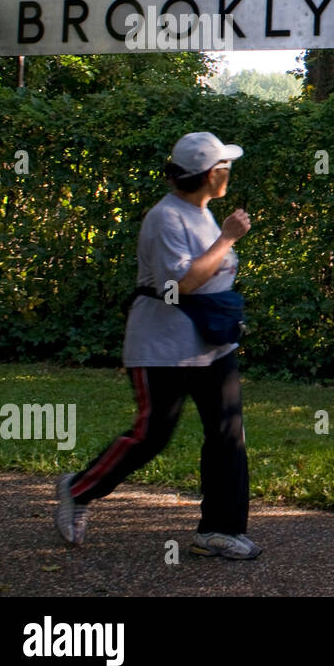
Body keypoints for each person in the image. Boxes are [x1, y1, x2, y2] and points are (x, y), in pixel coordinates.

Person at [54, 131, 259, 559]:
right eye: (225, 166)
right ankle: (78, 488)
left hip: (213, 344)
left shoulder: (201, 212)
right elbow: (177, 286)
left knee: (228, 434)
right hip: (162, 346)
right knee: (151, 435)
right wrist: (227, 239)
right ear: (210, 175)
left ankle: (219, 530)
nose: (230, 172)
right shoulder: (166, 218)